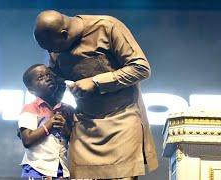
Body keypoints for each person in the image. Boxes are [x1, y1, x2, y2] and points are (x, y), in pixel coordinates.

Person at [33, 10, 159, 179]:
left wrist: (96, 82)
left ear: (64, 34)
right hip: (85, 127)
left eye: (52, 47)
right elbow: (57, 81)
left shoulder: (107, 27)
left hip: (122, 120)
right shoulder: (55, 47)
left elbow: (141, 68)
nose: (51, 52)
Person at [18, 64, 74, 179]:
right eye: (40, 78)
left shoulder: (67, 110)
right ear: (31, 90)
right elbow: (27, 140)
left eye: (49, 75)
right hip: (37, 169)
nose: (47, 78)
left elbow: (72, 140)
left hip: (61, 170)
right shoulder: (30, 108)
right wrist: (50, 123)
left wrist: (65, 129)